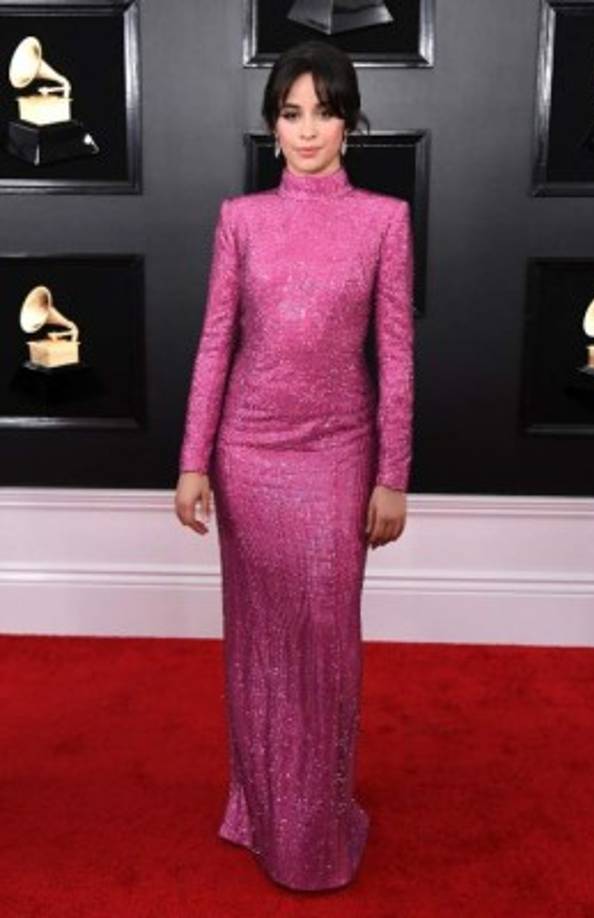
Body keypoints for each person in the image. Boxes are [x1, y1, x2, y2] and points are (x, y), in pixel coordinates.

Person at [174, 39, 414, 892]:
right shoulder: (241, 219)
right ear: (272, 124)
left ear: (349, 121)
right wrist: (192, 460)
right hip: (247, 455)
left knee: (323, 646)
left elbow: (395, 353)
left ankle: (314, 829)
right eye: (290, 112)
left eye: (324, 110)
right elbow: (214, 344)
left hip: (338, 455)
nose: (307, 129)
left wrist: (394, 474)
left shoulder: (383, 219)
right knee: (259, 646)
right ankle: (260, 808)